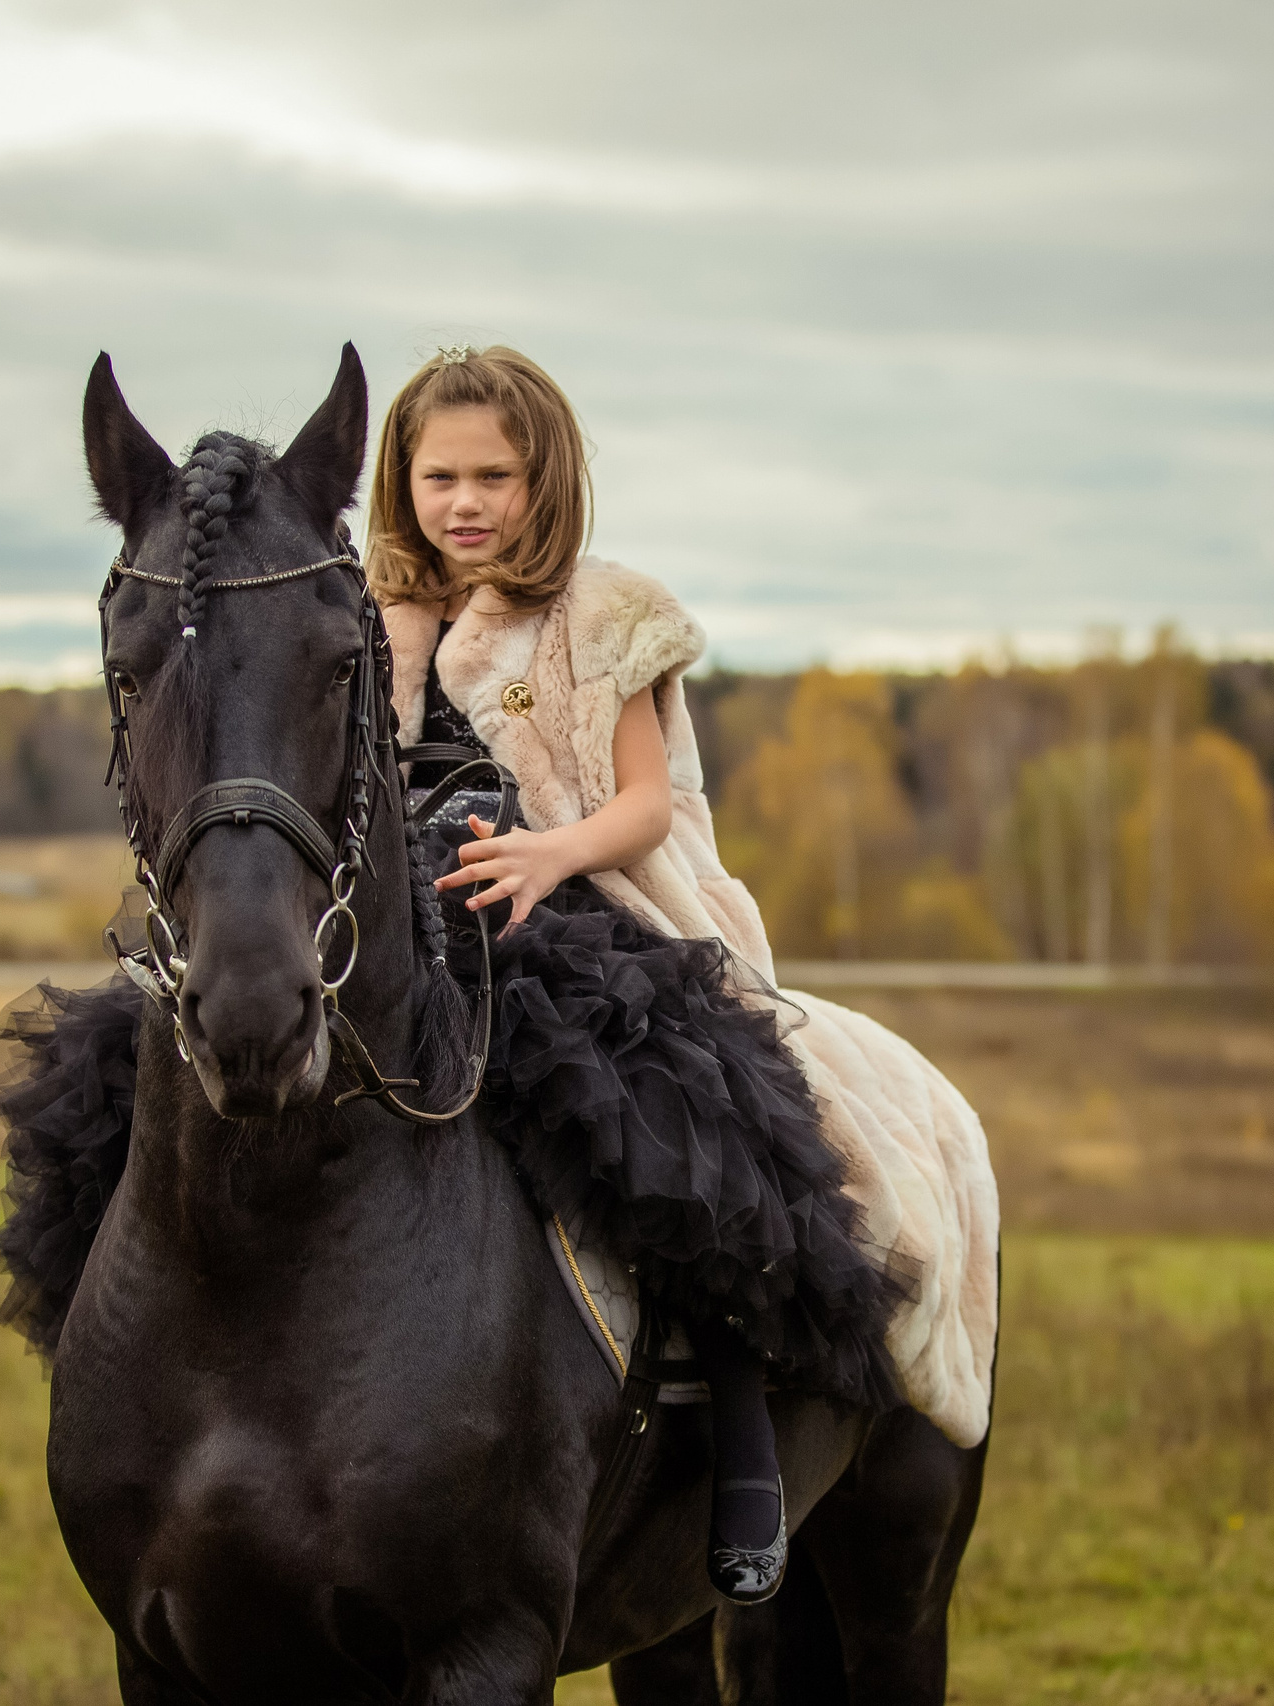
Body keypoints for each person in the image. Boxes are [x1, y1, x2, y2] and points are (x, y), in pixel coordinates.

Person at [367, 345, 904, 1606]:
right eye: (438, 475)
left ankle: (741, 1421)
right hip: (400, 924)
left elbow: (647, 807)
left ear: (542, 478)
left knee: (669, 1117)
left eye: (492, 474)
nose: (464, 501)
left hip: (574, 908)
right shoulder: (370, 619)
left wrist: (549, 855)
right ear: (402, 482)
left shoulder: (600, 618)